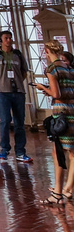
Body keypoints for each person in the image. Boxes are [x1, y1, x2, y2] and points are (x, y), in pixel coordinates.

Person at [35, 41, 74, 206]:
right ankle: (65, 189)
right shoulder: (70, 69)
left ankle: (59, 192)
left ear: (47, 51)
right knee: (68, 151)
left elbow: (56, 93)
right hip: (73, 109)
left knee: (59, 151)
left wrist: (43, 88)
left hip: (61, 112)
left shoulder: (52, 69)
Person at [0, 30, 31, 163]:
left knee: (20, 122)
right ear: (1, 41)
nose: (9, 40)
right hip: (3, 93)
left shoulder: (17, 54)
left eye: (10, 38)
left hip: (18, 92)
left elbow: (25, 71)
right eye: (6, 38)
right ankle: (4, 149)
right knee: (5, 120)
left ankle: (20, 151)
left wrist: (18, 81)